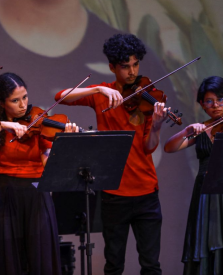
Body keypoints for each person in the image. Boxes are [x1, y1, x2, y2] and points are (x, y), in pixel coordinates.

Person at [55, 33, 169, 275]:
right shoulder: (102, 94)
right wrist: (97, 88)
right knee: (114, 265)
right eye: (125, 66)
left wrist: (157, 125)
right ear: (112, 67)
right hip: (114, 194)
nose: (132, 72)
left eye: (136, 64)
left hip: (147, 191)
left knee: (151, 266)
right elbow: (60, 97)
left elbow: (148, 147)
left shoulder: (147, 97)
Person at [0, 72, 89, 275]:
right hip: (5, 195)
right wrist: (2, 125)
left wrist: (64, 143)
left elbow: (49, 165)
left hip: (36, 193)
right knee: (8, 260)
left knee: (41, 259)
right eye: (15, 100)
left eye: (25, 97)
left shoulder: (38, 119)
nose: (23, 105)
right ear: (1, 103)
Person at [164, 76, 223, 274]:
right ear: (202, 104)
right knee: (204, 242)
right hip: (205, 195)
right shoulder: (201, 129)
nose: (216, 105)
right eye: (209, 101)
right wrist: (187, 130)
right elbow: (170, 147)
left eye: (221, 99)